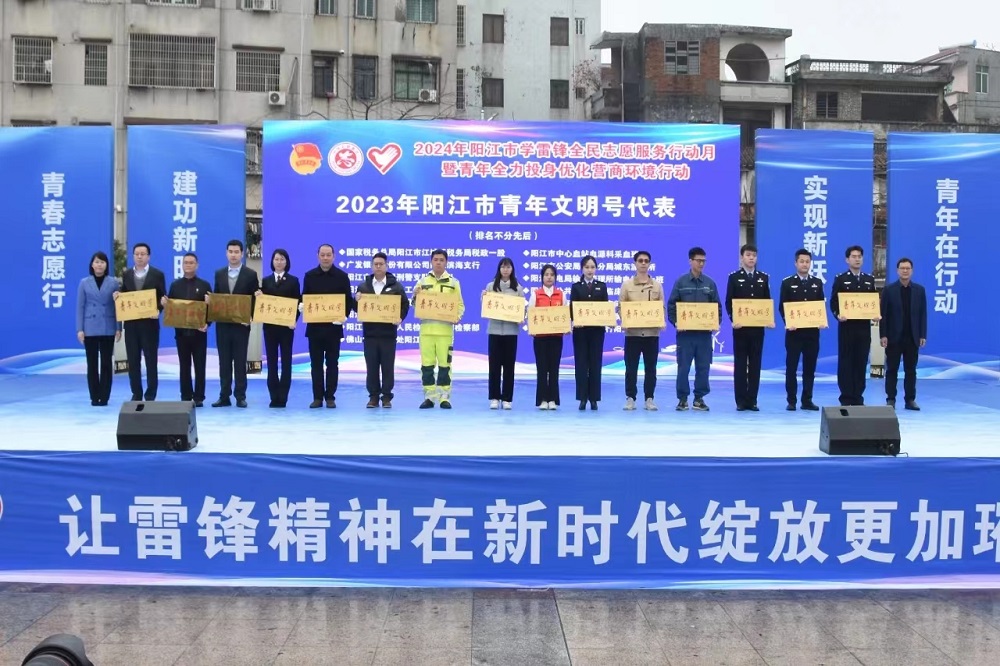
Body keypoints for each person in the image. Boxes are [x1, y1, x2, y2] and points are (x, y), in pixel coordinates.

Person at [667, 247, 721, 412]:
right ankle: (682, 399)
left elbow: (717, 307)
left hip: (704, 335)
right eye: (698, 260)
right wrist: (676, 323)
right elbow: (671, 305)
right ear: (690, 261)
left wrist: (716, 322)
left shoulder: (710, 283)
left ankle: (699, 399)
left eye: (703, 261)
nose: (701, 264)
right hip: (685, 335)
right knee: (683, 367)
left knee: (703, 367)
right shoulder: (681, 282)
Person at [302, 243, 355, 409]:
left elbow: (348, 300)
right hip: (314, 329)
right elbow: (305, 297)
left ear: (333, 256)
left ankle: (330, 397)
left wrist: (344, 316)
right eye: (322, 255)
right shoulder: (309, 276)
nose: (325, 258)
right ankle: (317, 397)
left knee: (332, 364)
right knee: (316, 365)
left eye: (328, 255)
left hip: (334, 328)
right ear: (318, 256)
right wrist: (303, 306)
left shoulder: (342, 276)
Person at [725, 244, 773, 412]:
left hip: (757, 329)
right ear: (742, 257)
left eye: (754, 255)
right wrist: (733, 319)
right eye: (748, 255)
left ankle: (752, 400)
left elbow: (767, 302)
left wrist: (768, 319)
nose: (751, 258)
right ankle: (740, 400)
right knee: (740, 364)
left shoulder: (763, 278)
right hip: (740, 329)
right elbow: (729, 302)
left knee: (755, 364)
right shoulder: (734, 277)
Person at [357, 251, 409, 409]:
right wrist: (356, 300)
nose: (378, 266)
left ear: (386, 266)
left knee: (387, 367)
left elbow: (405, 304)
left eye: (381, 264)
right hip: (370, 334)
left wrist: (400, 318)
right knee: (371, 367)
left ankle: (386, 397)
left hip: (388, 335)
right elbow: (357, 308)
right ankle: (373, 397)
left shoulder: (396, 286)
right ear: (372, 266)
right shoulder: (364, 286)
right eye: (376, 264)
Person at [212, 240, 259, 409]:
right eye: (230, 251)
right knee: (224, 362)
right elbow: (217, 298)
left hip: (241, 326)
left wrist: (250, 316)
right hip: (223, 325)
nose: (233, 255)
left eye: (236, 252)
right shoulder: (219, 274)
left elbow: (254, 299)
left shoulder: (250, 274)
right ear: (226, 253)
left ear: (242, 253)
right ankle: (224, 396)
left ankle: (240, 396)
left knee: (240, 361)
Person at [116, 242, 166, 401]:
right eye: (137, 254)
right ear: (133, 256)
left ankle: (150, 394)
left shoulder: (157, 274)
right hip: (131, 325)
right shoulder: (127, 274)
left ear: (148, 256)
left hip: (150, 325)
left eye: (143, 254)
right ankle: (136, 393)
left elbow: (162, 298)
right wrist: (118, 295)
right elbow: (124, 296)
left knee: (151, 360)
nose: (139, 257)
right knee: (133, 360)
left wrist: (159, 309)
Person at [415, 249, 464, 409]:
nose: (438, 262)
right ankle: (429, 397)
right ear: (431, 261)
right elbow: (415, 304)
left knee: (445, 366)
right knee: (427, 366)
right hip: (427, 331)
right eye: (435, 259)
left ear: (446, 262)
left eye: (441, 260)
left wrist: (457, 316)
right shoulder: (422, 281)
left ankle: (444, 397)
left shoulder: (453, 283)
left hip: (445, 332)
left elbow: (460, 305)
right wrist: (415, 296)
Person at [830, 245, 878, 406]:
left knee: (861, 361)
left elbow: (873, 302)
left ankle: (858, 396)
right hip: (847, 327)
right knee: (846, 361)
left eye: (859, 257)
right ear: (847, 260)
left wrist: (875, 314)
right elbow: (833, 302)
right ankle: (846, 396)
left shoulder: (869, 279)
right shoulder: (840, 279)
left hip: (863, 328)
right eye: (854, 256)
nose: (857, 259)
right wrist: (838, 315)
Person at [779, 249, 826, 411]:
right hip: (794, 333)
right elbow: (782, 307)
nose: (805, 264)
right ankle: (791, 400)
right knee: (791, 367)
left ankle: (807, 400)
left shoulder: (817, 283)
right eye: (802, 261)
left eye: (807, 261)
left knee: (809, 368)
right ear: (796, 263)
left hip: (812, 333)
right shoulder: (787, 283)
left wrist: (821, 320)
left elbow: (820, 306)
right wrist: (788, 322)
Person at [163, 253, 211, 407]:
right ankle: (185, 395)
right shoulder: (175, 286)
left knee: (200, 366)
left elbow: (210, 309)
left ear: (197, 265)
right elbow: (171, 309)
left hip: (199, 333)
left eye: (191, 262)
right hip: (181, 334)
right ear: (182, 265)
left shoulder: (204, 285)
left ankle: (199, 397)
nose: (188, 265)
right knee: (184, 366)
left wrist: (208, 323)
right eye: (186, 262)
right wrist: (165, 304)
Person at [880, 258, 927, 411]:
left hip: (912, 337)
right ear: (897, 271)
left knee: (911, 370)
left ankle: (910, 399)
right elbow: (883, 314)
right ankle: (891, 398)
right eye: (902, 268)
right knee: (891, 370)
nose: (905, 271)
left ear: (912, 271)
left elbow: (922, 315)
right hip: (893, 337)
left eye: (907, 268)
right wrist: (883, 335)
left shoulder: (919, 290)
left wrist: (922, 335)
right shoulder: (889, 290)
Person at [620, 250, 665, 411]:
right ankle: (630, 398)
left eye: (646, 261)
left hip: (651, 334)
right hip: (632, 334)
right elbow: (621, 307)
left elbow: (661, 307)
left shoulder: (657, 285)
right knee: (631, 368)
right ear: (635, 263)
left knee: (651, 369)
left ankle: (649, 398)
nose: (643, 263)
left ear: (650, 264)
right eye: (640, 261)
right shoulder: (627, 285)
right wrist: (625, 320)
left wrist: (661, 321)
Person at [76, 251, 121, 406]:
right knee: (92, 364)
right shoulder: (84, 283)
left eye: (102, 262)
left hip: (108, 326)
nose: (99, 265)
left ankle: (105, 396)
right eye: (96, 262)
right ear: (92, 265)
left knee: (107, 363)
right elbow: (80, 307)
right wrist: (80, 329)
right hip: (90, 327)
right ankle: (94, 396)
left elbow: (117, 307)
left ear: (106, 265)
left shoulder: (113, 283)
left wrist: (118, 327)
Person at [258, 248, 300, 409]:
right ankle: (273, 396)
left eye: (282, 259)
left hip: (286, 328)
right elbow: (262, 304)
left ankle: (283, 397)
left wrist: (293, 320)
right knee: (272, 362)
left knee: (286, 362)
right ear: (272, 261)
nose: (279, 262)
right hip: (269, 328)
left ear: (286, 262)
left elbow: (297, 303)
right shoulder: (266, 281)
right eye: (276, 259)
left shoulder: (293, 281)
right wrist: (259, 297)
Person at [569, 255, 608, 411]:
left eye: (592, 267)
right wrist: (576, 319)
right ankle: (582, 398)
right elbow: (572, 308)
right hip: (580, 331)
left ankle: (594, 399)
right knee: (581, 364)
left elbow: (605, 309)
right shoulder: (576, 287)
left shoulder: (602, 286)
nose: (590, 270)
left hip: (597, 331)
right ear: (582, 269)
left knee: (595, 364)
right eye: (587, 267)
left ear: (596, 269)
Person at [483, 257, 520, 410]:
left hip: (511, 332)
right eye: (503, 267)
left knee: (509, 367)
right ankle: (494, 397)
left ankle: (507, 399)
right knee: (494, 367)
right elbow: (486, 308)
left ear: (512, 269)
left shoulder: (518, 288)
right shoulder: (491, 286)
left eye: (508, 267)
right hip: (494, 331)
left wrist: (521, 316)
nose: (505, 270)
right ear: (499, 269)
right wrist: (483, 298)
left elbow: (521, 310)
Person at [529, 264, 564, 410]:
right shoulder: (536, 294)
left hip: (556, 337)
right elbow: (531, 313)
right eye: (546, 275)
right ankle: (543, 399)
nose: (549, 277)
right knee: (542, 369)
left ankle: (553, 399)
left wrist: (566, 327)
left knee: (554, 369)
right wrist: (532, 328)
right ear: (542, 277)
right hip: (540, 338)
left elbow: (565, 314)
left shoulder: (561, 294)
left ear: (555, 277)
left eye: (552, 275)